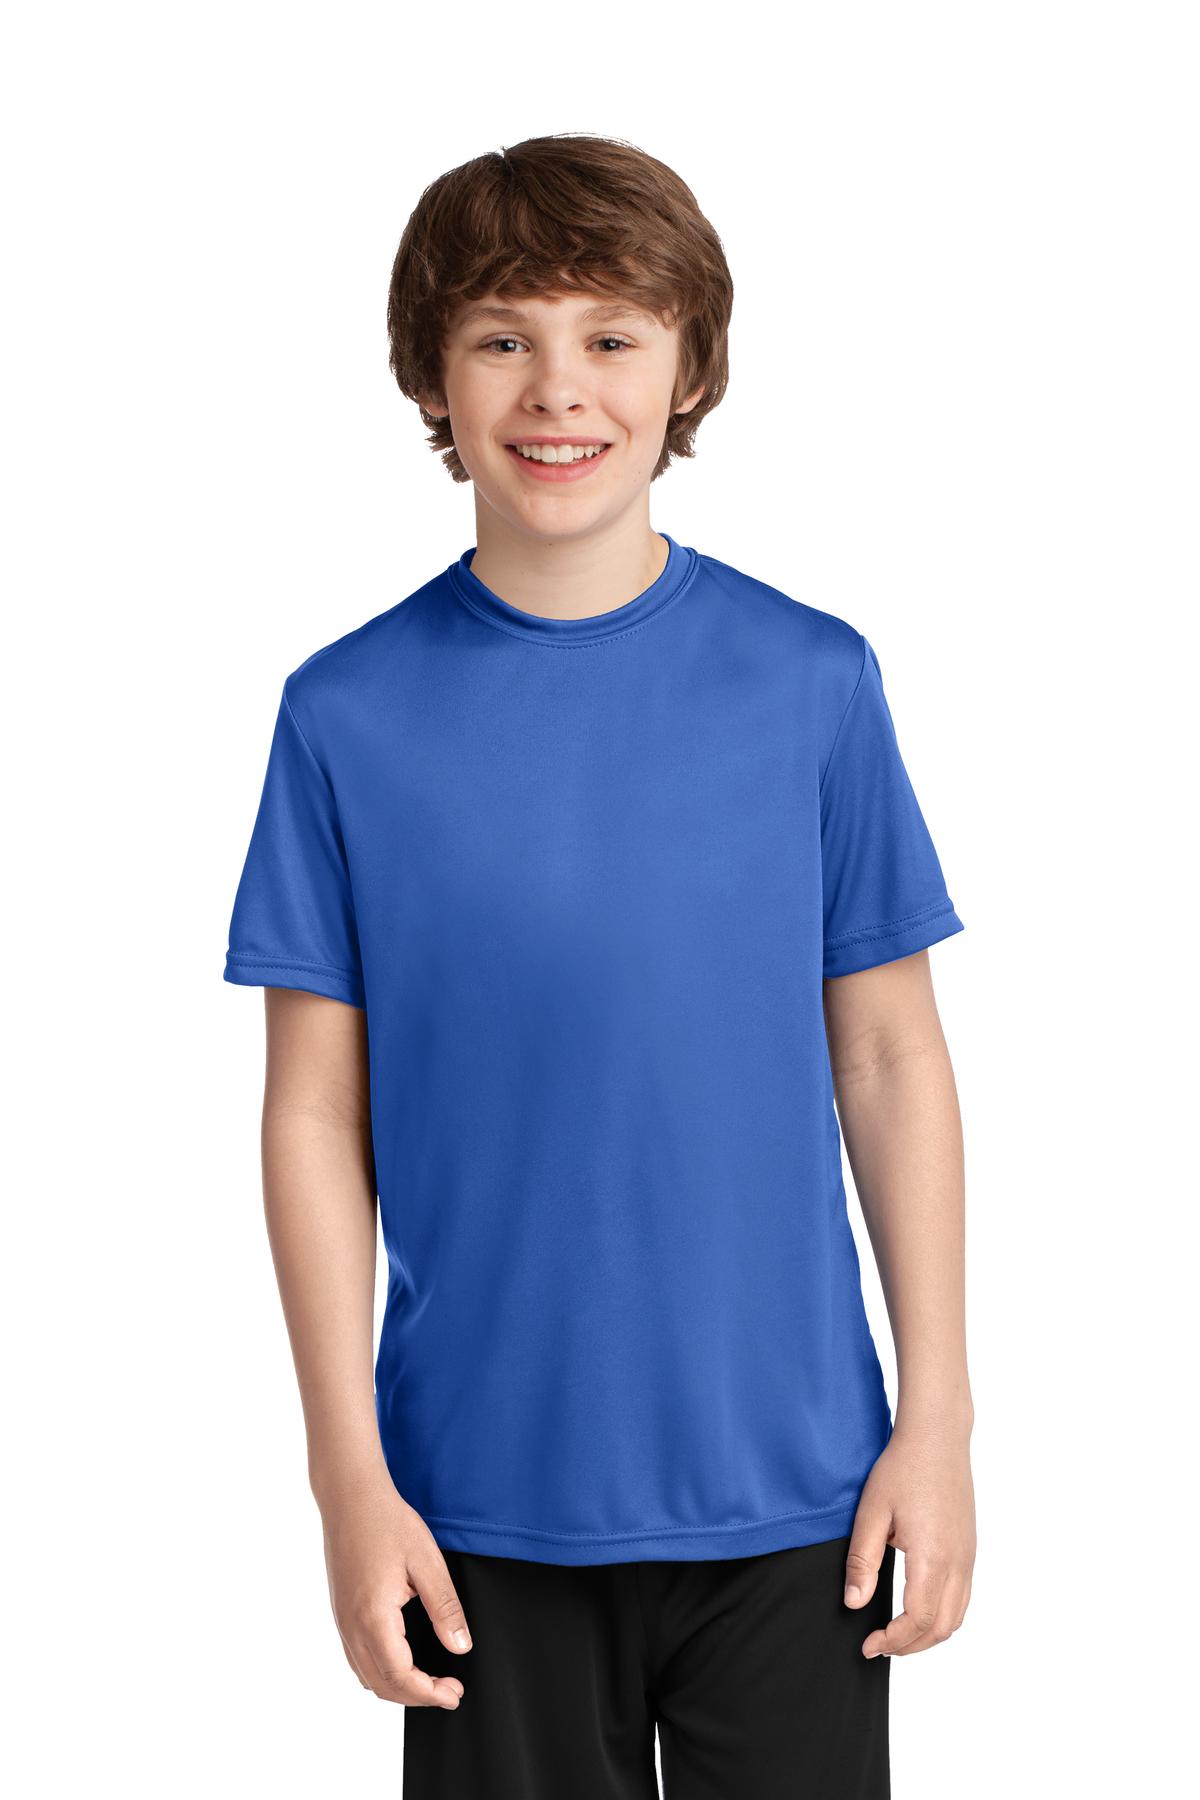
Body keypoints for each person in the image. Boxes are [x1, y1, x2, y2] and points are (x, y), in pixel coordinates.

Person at [223, 133, 976, 1798]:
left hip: (799, 1498)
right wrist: (347, 1480)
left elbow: (890, 1057)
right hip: (474, 1509)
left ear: (688, 368)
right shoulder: (344, 716)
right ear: (432, 374)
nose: (557, 388)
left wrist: (941, 1422)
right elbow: (313, 1116)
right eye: (502, 336)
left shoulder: (811, 683)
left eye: (611, 336)